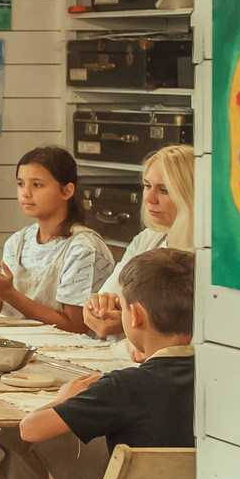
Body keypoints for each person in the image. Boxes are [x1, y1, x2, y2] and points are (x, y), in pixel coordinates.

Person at [0, 248, 196, 479]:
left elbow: (30, 429)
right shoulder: (215, 377)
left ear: (135, 316)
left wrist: (65, 397)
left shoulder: (123, 387)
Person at [0, 145, 113, 333]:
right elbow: (14, 312)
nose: (25, 193)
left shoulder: (83, 249)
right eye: (21, 184)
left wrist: (8, 293)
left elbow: (75, 327)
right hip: (28, 342)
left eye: (37, 185)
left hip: (76, 348)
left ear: (67, 191)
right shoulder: (17, 242)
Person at [85, 144, 196, 337]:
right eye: (147, 186)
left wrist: (126, 322)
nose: (149, 198)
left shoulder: (209, 255)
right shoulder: (146, 239)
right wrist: (99, 307)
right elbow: (109, 296)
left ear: (191, 194)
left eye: (164, 190)